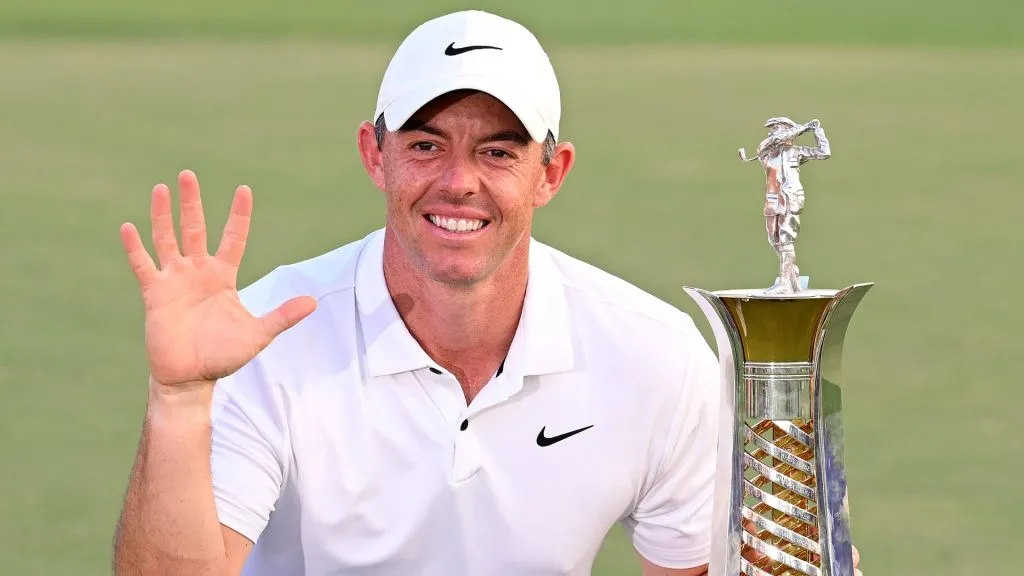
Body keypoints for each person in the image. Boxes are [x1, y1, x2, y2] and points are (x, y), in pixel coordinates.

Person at [111, 10, 861, 576]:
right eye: (426, 144)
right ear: (376, 155)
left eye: (498, 151)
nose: (458, 182)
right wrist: (179, 399)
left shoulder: (654, 355)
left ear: (552, 171)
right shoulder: (267, 334)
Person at [740, 117, 831, 294]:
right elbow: (775, 140)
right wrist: (803, 127)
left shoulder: (797, 152)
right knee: (774, 240)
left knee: (785, 240)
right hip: (773, 200)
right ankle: (791, 271)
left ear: (786, 129)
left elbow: (824, 152)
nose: (770, 131)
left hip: (791, 199)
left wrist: (817, 131)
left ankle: (784, 282)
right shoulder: (765, 151)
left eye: (775, 128)